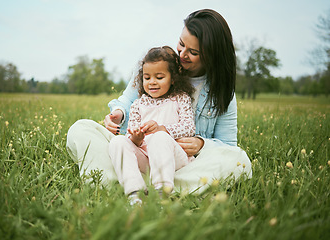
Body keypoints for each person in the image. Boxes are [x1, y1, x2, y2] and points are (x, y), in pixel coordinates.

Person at [66, 9, 252, 195]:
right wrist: (118, 114)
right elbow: (126, 101)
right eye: (181, 44)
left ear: (211, 55)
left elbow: (228, 145)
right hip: (137, 153)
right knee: (81, 129)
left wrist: (202, 144)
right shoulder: (157, 64)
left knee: (240, 161)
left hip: (182, 164)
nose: (182, 54)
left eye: (193, 52)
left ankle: (139, 185)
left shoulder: (222, 92)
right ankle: (148, 184)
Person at [109, 46, 195, 204]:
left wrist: (163, 129)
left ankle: (163, 194)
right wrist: (136, 138)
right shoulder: (138, 104)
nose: (152, 82)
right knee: (118, 141)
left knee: (159, 137)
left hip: (174, 157)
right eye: (147, 78)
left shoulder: (180, 98)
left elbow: (189, 127)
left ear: (173, 78)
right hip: (147, 159)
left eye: (159, 77)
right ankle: (135, 194)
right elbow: (131, 138)